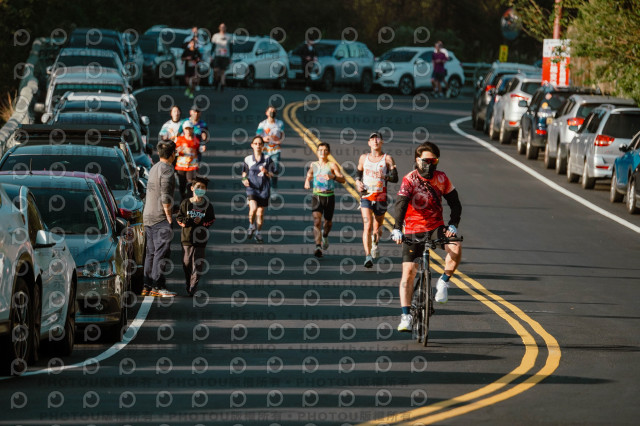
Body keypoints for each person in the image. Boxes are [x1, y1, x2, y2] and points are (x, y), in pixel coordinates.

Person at [390, 142, 462, 332]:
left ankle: (443, 282)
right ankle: (406, 316)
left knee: (455, 246)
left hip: (435, 226)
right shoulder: (410, 179)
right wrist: (397, 229)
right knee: (408, 273)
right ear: (417, 160)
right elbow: (401, 204)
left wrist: (453, 225)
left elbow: (455, 203)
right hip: (413, 229)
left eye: (433, 161)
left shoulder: (441, 178)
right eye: (425, 161)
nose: (429, 165)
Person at [355, 132, 398, 268]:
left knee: (376, 229)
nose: (375, 141)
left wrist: (385, 177)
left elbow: (395, 178)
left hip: (380, 197)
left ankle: (375, 243)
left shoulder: (387, 159)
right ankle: (368, 256)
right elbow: (358, 173)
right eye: (372, 139)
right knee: (367, 226)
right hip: (366, 196)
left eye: (377, 139)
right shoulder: (363, 158)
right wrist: (357, 182)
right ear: (369, 143)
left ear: (382, 142)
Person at [142, 140, 178, 297]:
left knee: (150, 252)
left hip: (148, 215)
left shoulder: (154, 167)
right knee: (161, 252)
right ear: (172, 154)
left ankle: (147, 285)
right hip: (160, 217)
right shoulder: (168, 170)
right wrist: (169, 216)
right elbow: (165, 196)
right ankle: (157, 286)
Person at [304, 142, 345, 258]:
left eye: (325, 150)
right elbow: (309, 173)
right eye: (320, 150)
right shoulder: (314, 164)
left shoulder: (332, 165)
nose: (322, 152)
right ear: (317, 152)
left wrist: (333, 177)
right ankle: (318, 246)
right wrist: (307, 181)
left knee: (328, 222)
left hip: (329, 197)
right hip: (317, 196)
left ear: (328, 152)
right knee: (317, 221)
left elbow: (343, 179)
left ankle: (325, 236)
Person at [176, 176, 215, 296]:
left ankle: (193, 286)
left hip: (200, 239)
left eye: (203, 187)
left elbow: (211, 220)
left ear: (206, 190)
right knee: (187, 262)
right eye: (198, 187)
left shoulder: (208, 205)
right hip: (187, 238)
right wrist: (188, 220)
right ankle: (188, 282)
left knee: (198, 263)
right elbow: (179, 218)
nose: (200, 189)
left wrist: (202, 222)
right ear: (192, 188)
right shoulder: (186, 203)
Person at [242, 136, 276, 243]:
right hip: (252, 188)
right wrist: (244, 180)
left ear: (263, 146)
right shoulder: (248, 159)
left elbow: (272, 175)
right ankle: (251, 225)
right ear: (252, 145)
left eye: (260, 144)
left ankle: (258, 232)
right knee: (253, 209)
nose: (258, 146)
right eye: (255, 144)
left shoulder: (267, 159)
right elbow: (244, 173)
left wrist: (266, 171)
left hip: (264, 189)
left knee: (260, 213)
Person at [256, 105, 285, 196]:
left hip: (275, 150)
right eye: (270, 111)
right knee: (262, 170)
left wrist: (280, 140)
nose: (272, 112)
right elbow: (257, 136)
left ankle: (273, 189)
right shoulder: (262, 124)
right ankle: (262, 188)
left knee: (274, 170)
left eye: (274, 111)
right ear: (266, 113)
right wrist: (264, 139)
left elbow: (282, 135)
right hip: (265, 150)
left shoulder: (279, 123)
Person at [175, 121, 203, 200]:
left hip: (192, 165)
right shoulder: (179, 139)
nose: (188, 131)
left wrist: (201, 149)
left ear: (192, 129)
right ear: (184, 130)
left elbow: (198, 150)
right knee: (182, 184)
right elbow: (174, 151)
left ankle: (189, 198)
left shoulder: (196, 140)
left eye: (190, 129)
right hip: (181, 165)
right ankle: (183, 198)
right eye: (186, 129)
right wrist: (182, 149)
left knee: (190, 182)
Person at [211, 23, 232, 91]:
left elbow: (231, 47)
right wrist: (211, 55)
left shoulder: (229, 36)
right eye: (221, 27)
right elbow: (213, 46)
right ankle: (216, 81)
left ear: (226, 28)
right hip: (217, 55)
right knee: (216, 70)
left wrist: (230, 57)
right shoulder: (215, 35)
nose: (222, 28)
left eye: (224, 27)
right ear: (219, 28)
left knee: (223, 71)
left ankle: (222, 84)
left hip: (225, 56)